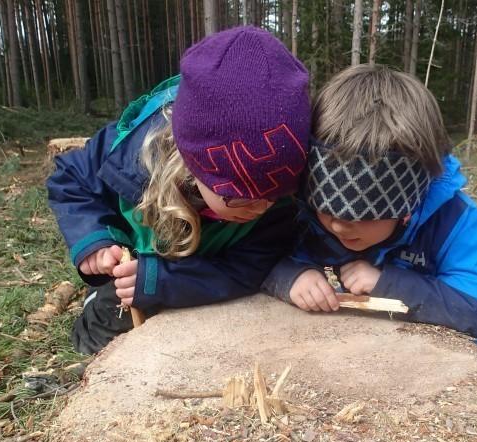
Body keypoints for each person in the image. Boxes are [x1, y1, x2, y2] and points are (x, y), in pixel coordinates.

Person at [263, 65, 477, 396]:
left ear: (407, 207)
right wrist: (291, 275)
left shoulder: (454, 220)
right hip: (400, 340)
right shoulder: (313, 215)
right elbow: (260, 254)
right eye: (325, 207)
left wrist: (387, 284)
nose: (337, 224)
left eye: (362, 215)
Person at [48, 27, 311, 354]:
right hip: (134, 263)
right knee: (108, 323)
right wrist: (94, 239)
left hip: (195, 271)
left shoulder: (279, 209)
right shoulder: (133, 153)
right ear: (193, 161)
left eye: (272, 195)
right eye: (236, 196)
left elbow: (247, 269)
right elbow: (71, 178)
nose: (258, 208)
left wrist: (164, 281)